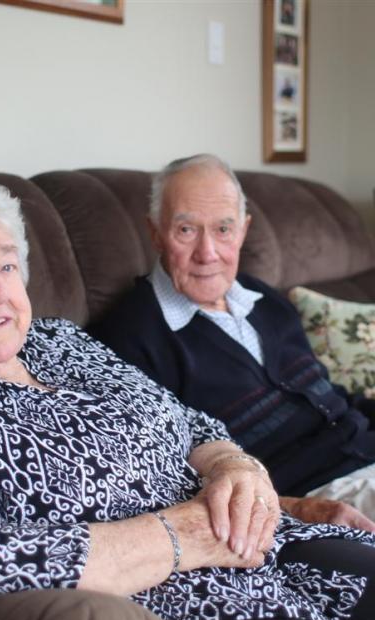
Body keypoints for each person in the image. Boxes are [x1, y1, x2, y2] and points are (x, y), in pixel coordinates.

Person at [0, 174, 375, 620]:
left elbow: (190, 422)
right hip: (184, 596)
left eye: (7, 266)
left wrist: (235, 467)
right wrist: (180, 536)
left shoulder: (60, 340)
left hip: (266, 542)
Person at [89, 153, 375, 531]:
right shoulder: (131, 341)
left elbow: (329, 396)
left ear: (243, 230)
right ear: (155, 232)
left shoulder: (263, 299)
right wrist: (302, 511)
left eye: (223, 229)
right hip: (320, 495)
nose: (208, 253)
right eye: (186, 230)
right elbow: (167, 482)